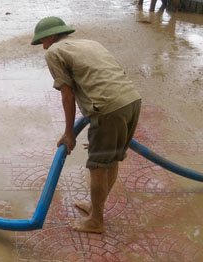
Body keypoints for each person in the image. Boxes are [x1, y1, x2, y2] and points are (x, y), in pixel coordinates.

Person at [31, 16, 141, 234]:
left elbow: (67, 95)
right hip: (131, 101)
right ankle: (95, 207)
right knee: (111, 158)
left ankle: (95, 220)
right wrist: (100, 131)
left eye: (43, 41)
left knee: (99, 166)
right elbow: (104, 77)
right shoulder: (91, 43)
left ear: (52, 36)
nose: (43, 46)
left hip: (107, 109)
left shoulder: (54, 52)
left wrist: (69, 133)